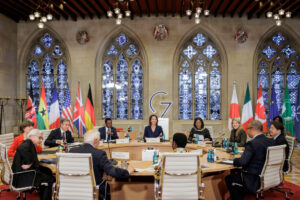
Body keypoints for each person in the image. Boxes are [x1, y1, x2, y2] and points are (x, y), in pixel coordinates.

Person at [70, 129, 134, 200]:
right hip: (94, 191)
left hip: (74, 190)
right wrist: (127, 171)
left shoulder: (72, 151)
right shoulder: (99, 154)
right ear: (95, 140)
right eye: (99, 140)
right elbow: (112, 171)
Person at [225, 120, 275, 200]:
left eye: (248, 129)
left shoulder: (252, 143)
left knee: (229, 178)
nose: (247, 131)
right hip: (268, 177)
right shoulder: (271, 141)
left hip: (253, 179)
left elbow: (242, 162)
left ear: (253, 129)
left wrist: (234, 160)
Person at [11, 129, 55, 200]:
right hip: (21, 177)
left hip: (23, 173)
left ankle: (43, 193)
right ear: (32, 136)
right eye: (39, 138)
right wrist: (30, 162)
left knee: (48, 171)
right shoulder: (26, 145)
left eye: (42, 138)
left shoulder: (29, 143)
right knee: (50, 179)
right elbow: (21, 149)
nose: (41, 140)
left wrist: (31, 162)